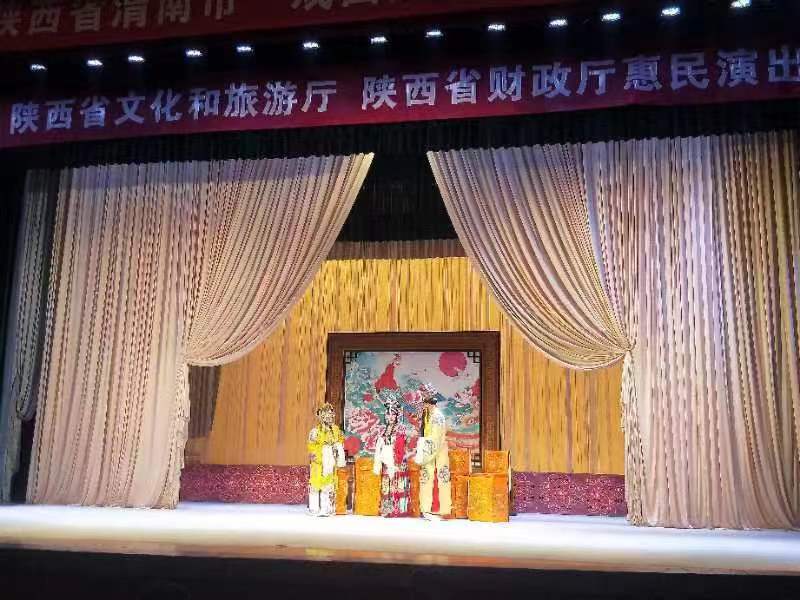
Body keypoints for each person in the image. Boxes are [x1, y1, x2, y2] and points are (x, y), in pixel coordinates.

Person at [414, 382, 451, 520]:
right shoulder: (428, 415)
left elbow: (436, 437)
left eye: (424, 403)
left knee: (441, 476)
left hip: (437, 449)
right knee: (426, 477)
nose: (423, 406)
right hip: (429, 448)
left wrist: (425, 449)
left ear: (429, 403)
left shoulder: (437, 416)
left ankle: (442, 509)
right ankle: (426, 508)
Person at [372, 390, 411, 518]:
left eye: (393, 414)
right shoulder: (383, 430)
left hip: (398, 461)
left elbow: (404, 444)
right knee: (386, 485)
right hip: (387, 460)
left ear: (397, 416)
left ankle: (398, 510)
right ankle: (387, 509)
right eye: (388, 414)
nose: (390, 417)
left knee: (397, 484)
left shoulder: (401, 429)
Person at [307, 402, 346, 517]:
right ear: (322, 417)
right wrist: (316, 455)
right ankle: (314, 509)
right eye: (327, 415)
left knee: (328, 485)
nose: (329, 417)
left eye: (331, 415)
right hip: (319, 461)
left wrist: (337, 448)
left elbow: (340, 441)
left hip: (330, 460)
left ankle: (326, 508)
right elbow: (311, 445)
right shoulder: (315, 431)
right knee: (315, 484)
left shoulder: (336, 430)